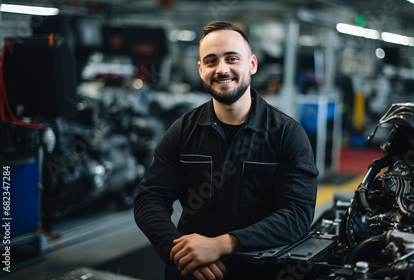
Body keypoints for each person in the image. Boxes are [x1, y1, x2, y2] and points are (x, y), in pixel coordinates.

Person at [134, 21, 319, 280]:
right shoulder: (183, 130)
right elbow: (150, 199)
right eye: (211, 61)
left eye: (232, 58)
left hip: (259, 273)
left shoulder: (288, 134)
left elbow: (296, 215)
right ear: (201, 70)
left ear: (252, 64)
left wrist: (221, 244)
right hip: (190, 273)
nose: (222, 69)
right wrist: (181, 251)